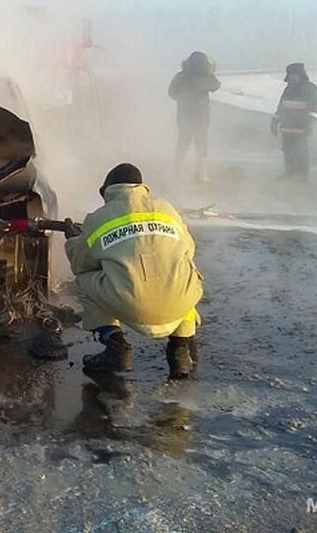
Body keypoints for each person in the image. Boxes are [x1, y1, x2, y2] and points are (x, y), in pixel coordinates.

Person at [63, 163, 204, 380]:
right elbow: (189, 250)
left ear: (106, 192)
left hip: (132, 303)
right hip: (179, 303)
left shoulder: (98, 218)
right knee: (181, 271)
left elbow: (80, 264)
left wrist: (73, 240)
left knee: (83, 281)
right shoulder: (166, 209)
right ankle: (181, 350)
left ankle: (115, 347)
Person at [168, 51, 221, 182]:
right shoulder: (204, 76)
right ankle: (200, 175)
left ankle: (178, 173)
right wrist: (210, 72)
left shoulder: (181, 76)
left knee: (182, 144)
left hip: (184, 116)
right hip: (201, 117)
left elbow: (171, 93)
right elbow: (216, 85)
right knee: (201, 145)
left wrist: (183, 96)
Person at [270, 62, 317, 180]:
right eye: (290, 75)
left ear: (300, 75)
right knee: (287, 150)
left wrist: (311, 121)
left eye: (294, 75)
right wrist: (275, 121)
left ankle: (303, 175)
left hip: (301, 126)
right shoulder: (288, 89)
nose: (292, 77)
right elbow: (281, 106)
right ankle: (290, 172)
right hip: (287, 126)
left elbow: (316, 106)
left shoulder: (310, 89)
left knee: (301, 150)